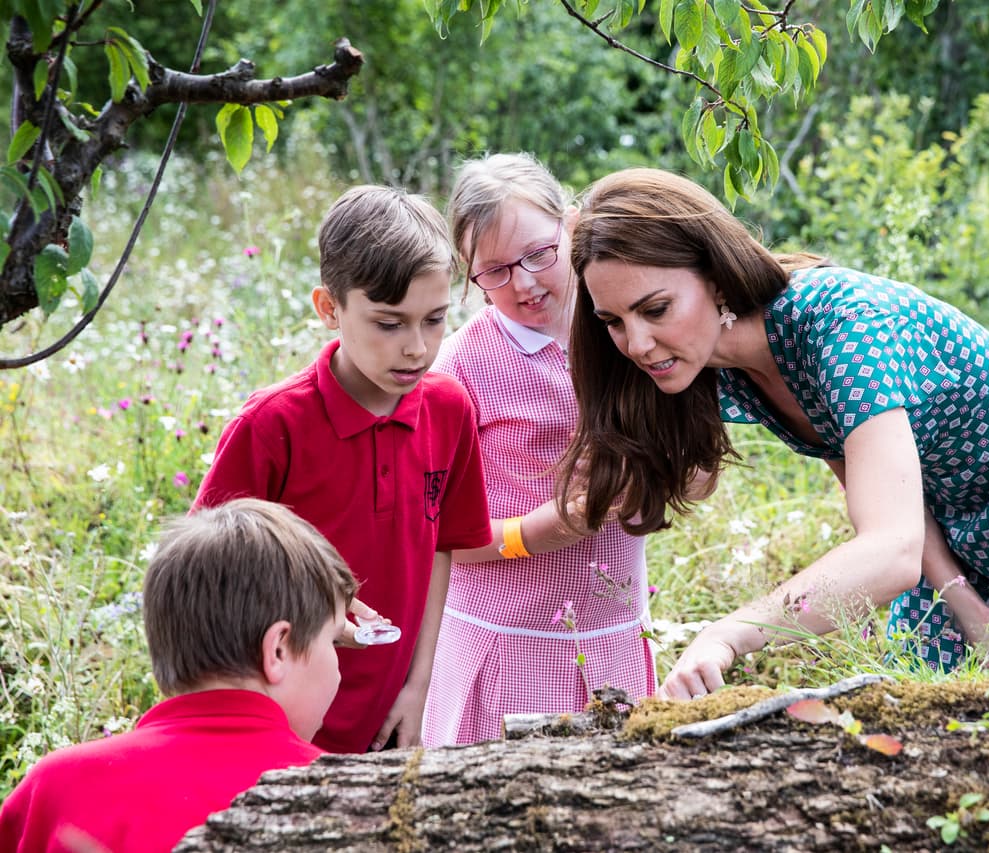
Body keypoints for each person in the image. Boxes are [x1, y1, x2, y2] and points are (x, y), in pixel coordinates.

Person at [560, 167, 989, 699]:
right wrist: (973, 614)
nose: (636, 343)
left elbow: (889, 551)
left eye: (656, 309)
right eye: (613, 321)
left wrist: (732, 632)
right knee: (956, 726)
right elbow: (892, 513)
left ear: (718, 277)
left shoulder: (842, 324)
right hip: (950, 530)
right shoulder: (719, 366)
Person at [194, 186, 492, 752]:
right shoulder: (272, 425)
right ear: (330, 308)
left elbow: (440, 552)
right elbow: (207, 576)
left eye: (434, 320)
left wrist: (420, 686)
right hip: (278, 722)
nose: (417, 348)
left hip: (390, 718)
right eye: (389, 324)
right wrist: (315, 609)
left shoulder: (449, 410)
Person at [422, 153, 654, 747]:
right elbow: (428, 531)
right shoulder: (462, 368)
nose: (523, 283)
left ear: (571, 227)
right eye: (494, 271)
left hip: (615, 633)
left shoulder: (625, 333)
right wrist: (535, 532)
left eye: (537, 254)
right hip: (505, 642)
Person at [0, 499, 357, 853]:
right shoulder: (343, 800)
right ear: (277, 650)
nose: (337, 668)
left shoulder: (56, 789)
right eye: (333, 641)